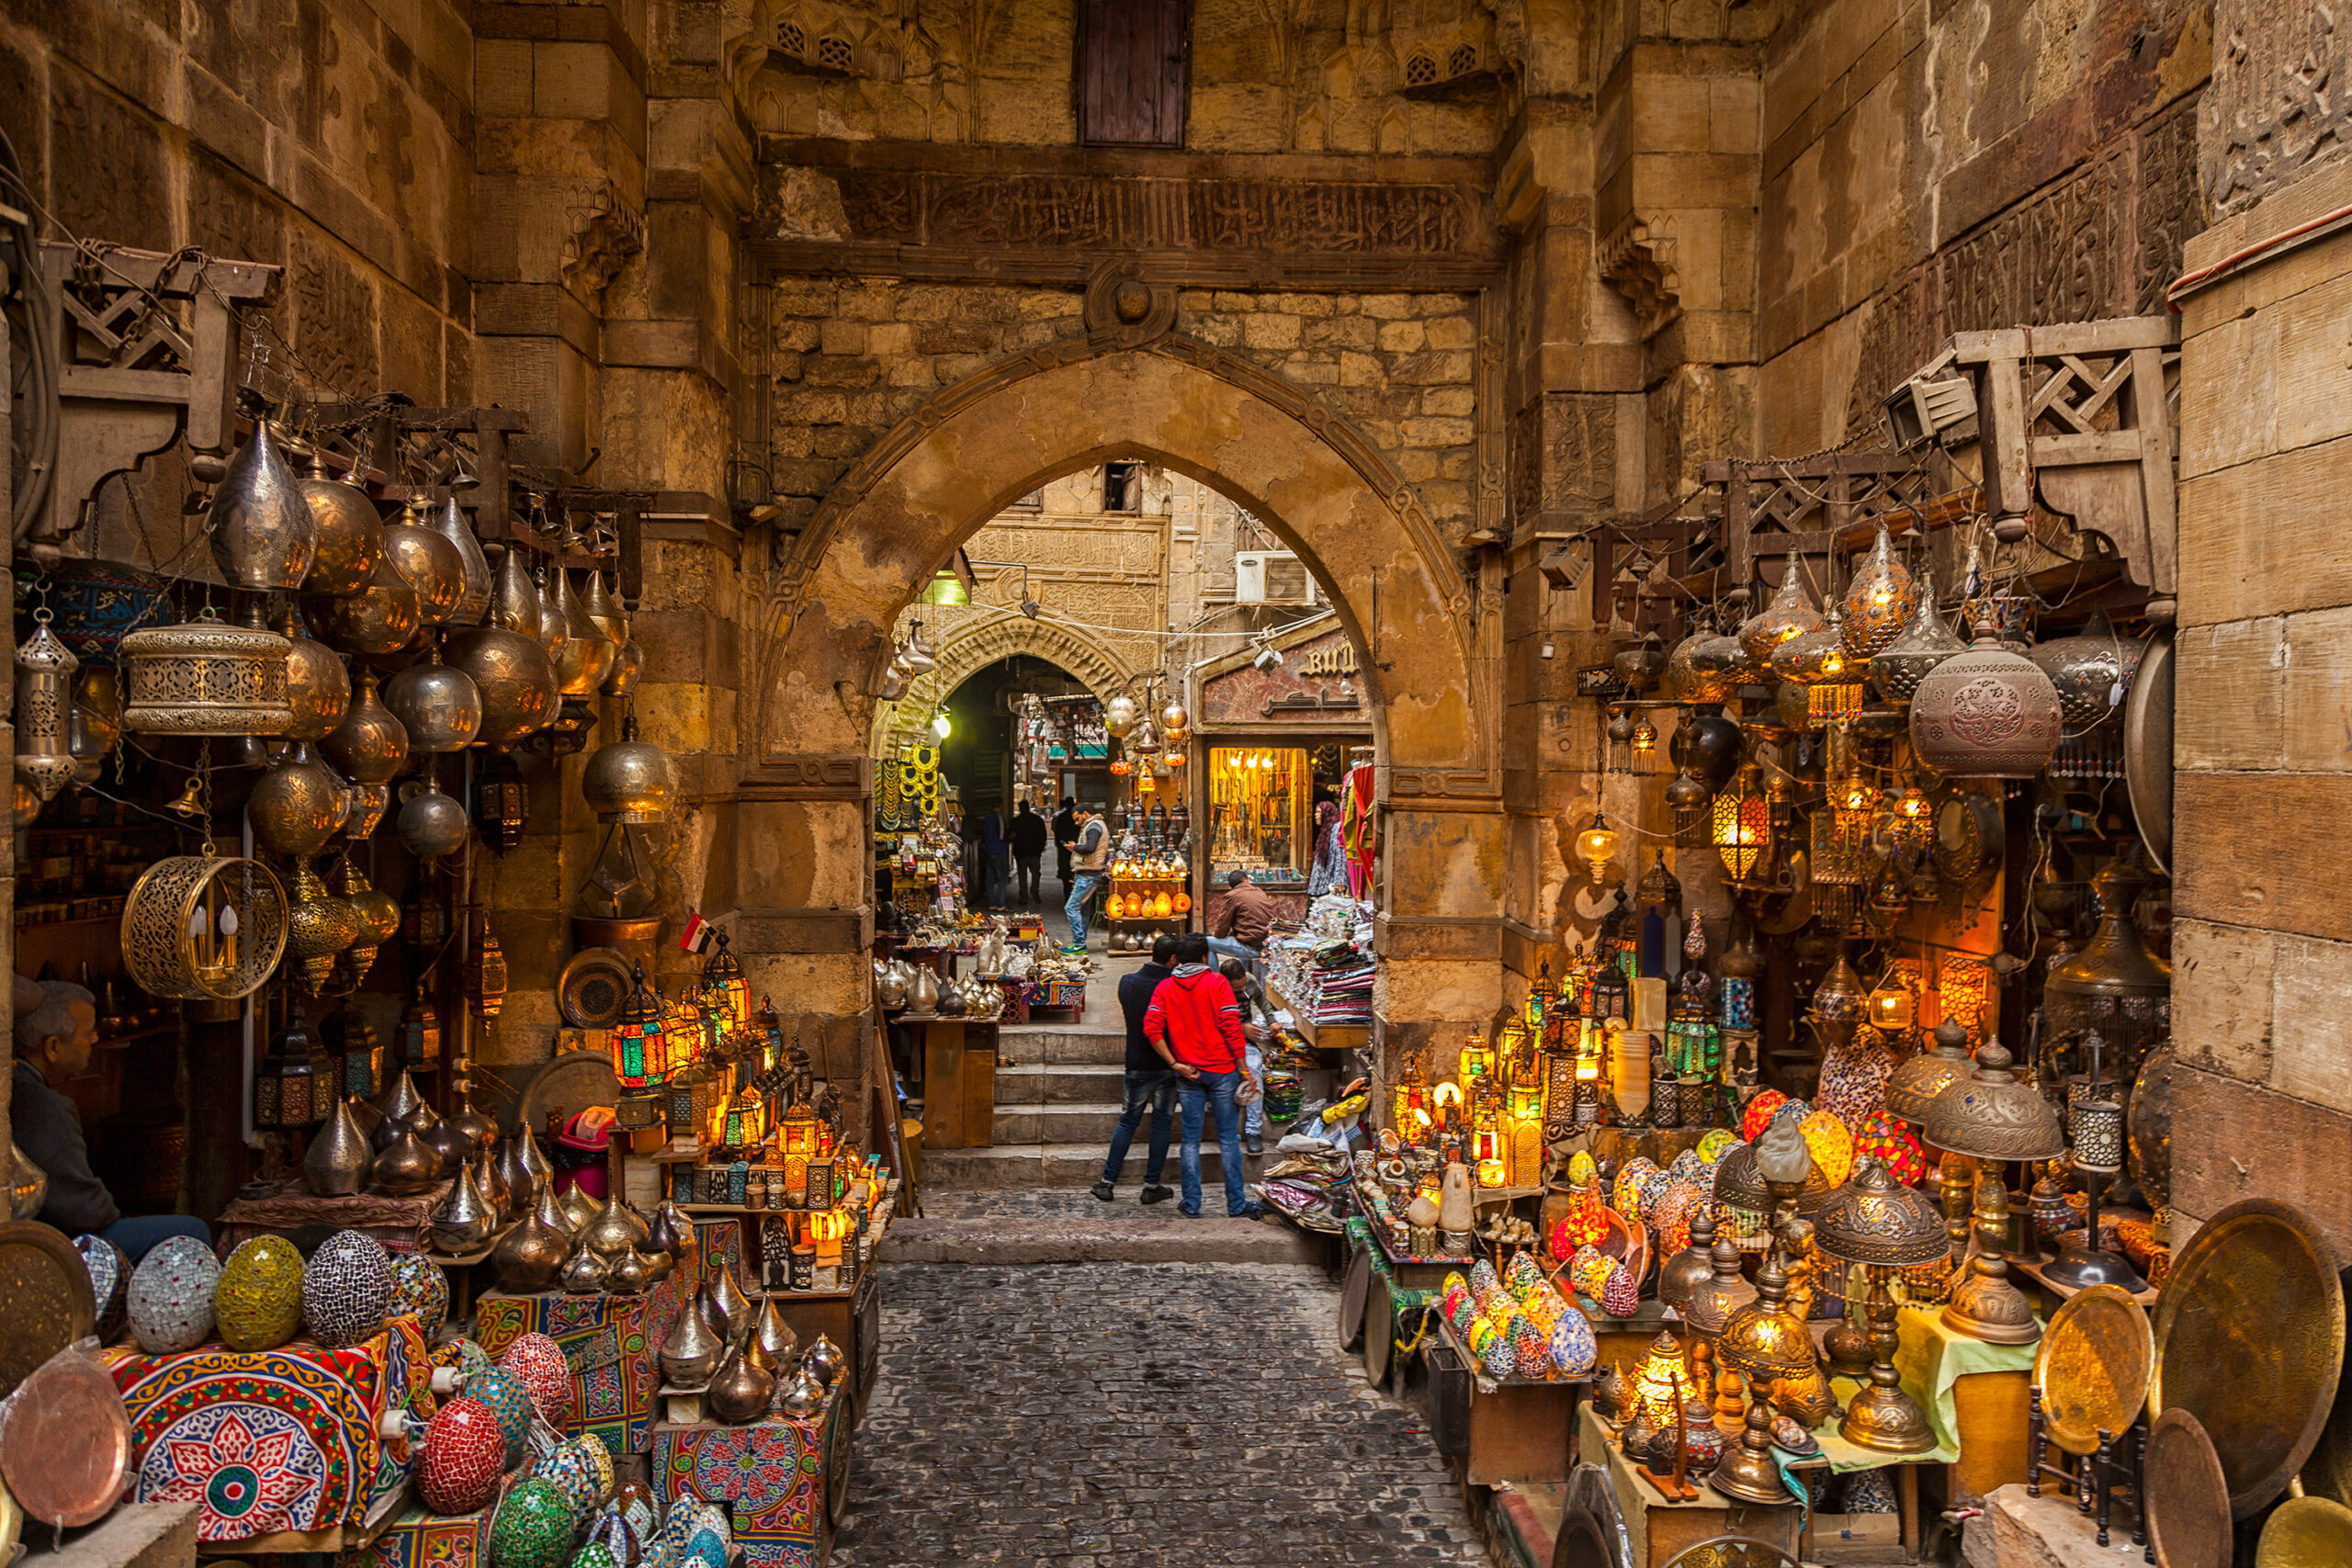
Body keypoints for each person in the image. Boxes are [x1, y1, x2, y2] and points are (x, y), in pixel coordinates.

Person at [12, 978, 210, 1262]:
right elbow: (82, 1211)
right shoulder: (46, 1107)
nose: (95, 1039)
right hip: (58, 1244)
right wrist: (110, 1210)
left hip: (44, 1232)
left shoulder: (22, 1084)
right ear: (53, 1047)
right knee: (192, 1230)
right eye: (87, 1033)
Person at [1143, 932, 1263, 1220]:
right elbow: (1232, 1028)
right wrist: (1245, 1070)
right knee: (1228, 1140)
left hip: (1189, 1074)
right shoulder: (1217, 982)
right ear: (1203, 958)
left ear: (1177, 959)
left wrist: (1174, 1064)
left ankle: (1192, 1204)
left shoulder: (1165, 987)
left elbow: (1151, 1028)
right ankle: (1236, 1204)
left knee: (1190, 1141)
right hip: (1223, 1071)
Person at [1092, 933, 1178, 1204]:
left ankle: (1107, 1182)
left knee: (1128, 1120)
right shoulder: (1174, 987)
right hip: (1167, 1063)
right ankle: (1151, 1185)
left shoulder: (1127, 982)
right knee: (1162, 1123)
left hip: (1137, 1062)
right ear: (1173, 959)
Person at [1219, 957, 1272, 1155]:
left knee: (1254, 1071)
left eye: (1242, 986)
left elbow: (1262, 1001)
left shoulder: (1249, 981)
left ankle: (1253, 1131)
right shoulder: (1215, 990)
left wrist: (1271, 1020)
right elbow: (1214, 1022)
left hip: (1244, 1044)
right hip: (1222, 1043)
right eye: (1236, 988)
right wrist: (1242, 1028)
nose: (1241, 990)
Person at [1209, 868, 1276, 975]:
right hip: (1266, 944)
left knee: (1207, 942)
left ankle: (1215, 982)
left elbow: (1223, 925)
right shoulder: (1260, 893)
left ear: (1230, 887)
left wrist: (1218, 935)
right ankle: (1244, 978)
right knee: (1242, 938)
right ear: (1246, 881)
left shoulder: (1232, 895)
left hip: (1250, 947)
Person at [1062, 804, 1109, 952]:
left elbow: (1090, 847)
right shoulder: (1094, 825)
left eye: (1077, 819)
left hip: (1089, 874)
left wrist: (1074, 847)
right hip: (1088, 873)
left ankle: (1079, 944)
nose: (1076, 823)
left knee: (1071, 907)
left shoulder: (1094, 826)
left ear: (1086, 814)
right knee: (1082, 909)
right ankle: (1079, 942)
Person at [1010, 799, 1048, 906]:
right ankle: (1035, 892)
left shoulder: (1015, 821)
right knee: (1036, 873)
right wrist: (1040, 848)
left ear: (1020, 808)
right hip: (1034, 853)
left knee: (1022, 876)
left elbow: (1010, 836)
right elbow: (1043, 835)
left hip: (1021, 853)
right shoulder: (1037, 820)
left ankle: (1023, 897)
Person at [978, 804, 1010, 910]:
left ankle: (991, 904)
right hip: (999, 850)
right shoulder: (999, 817)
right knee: (1002, 878)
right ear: (1000, 806)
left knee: (989, 878)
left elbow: (982, 834)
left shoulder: (986, 818)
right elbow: (1002, 834)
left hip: (988, 851)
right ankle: (1001, 904)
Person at [1051, 796, 1078, 893]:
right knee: (1075, 869)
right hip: (1076, 847)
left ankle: (1067, 892)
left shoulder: (1062, 816)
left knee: (1066, 871)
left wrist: (1059, 844)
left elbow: (1057, 831)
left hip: (1064, 847)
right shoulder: (1075, 816)